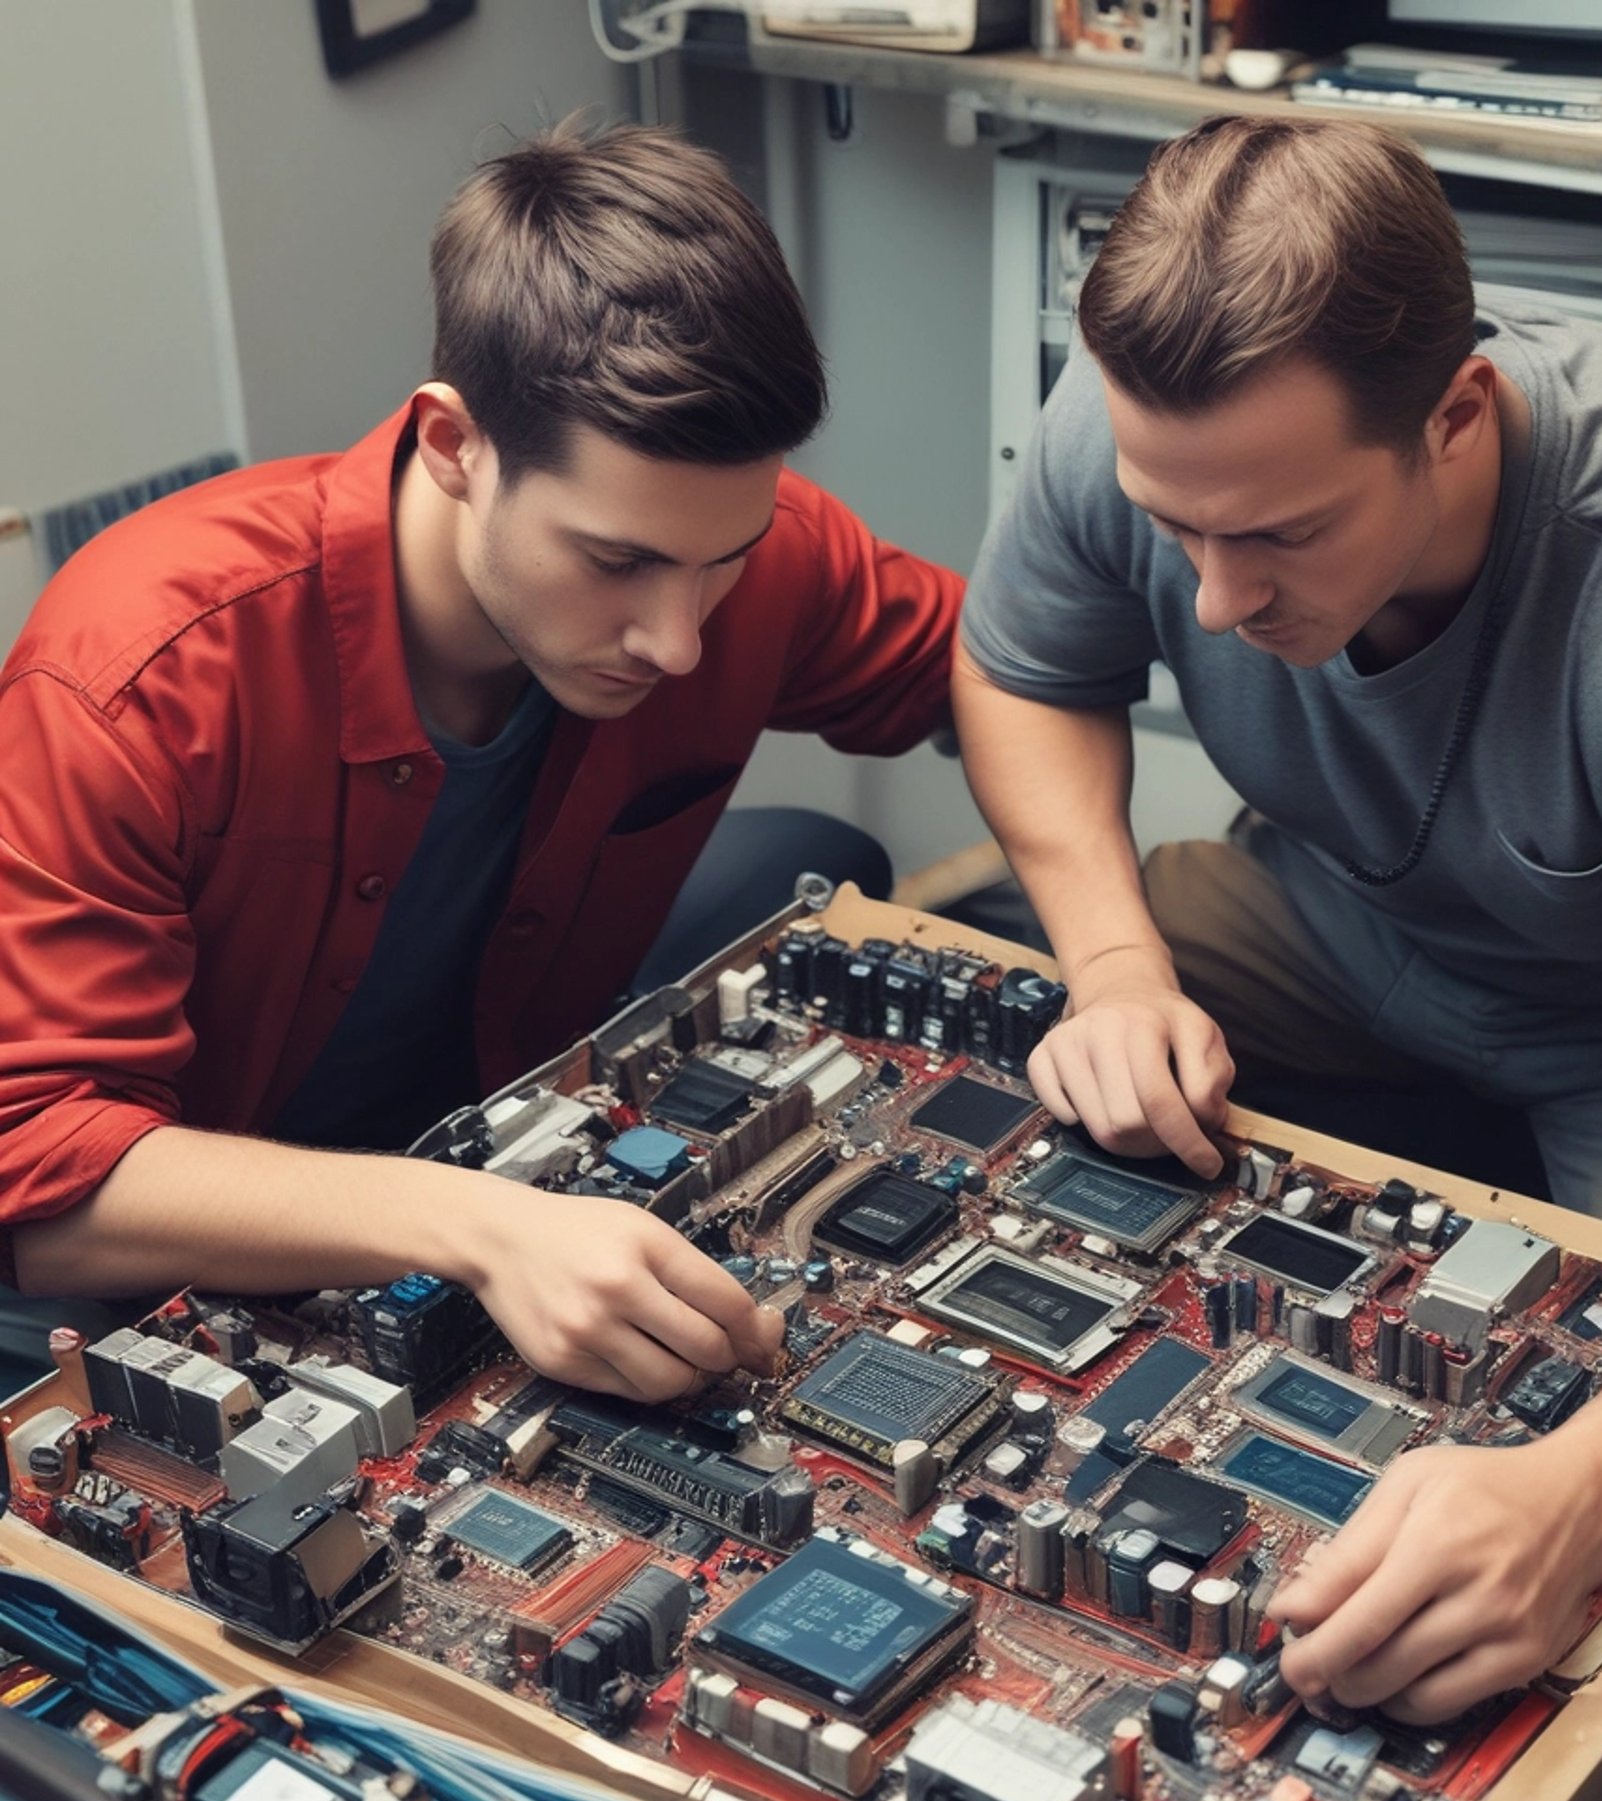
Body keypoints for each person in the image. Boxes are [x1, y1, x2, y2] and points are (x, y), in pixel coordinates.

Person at [955, 114, 1602, 1723]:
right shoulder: (1158, 428)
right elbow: (1019, 671)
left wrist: (1595, 1483)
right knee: (983, 1003)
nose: (1212, 598)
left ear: (1457, 413)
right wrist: (1116, 968)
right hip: (1329, 921)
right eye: (1172, 524)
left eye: (1277, 533)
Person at [0, 117, 959, 1404]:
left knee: (816, 863)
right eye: (617, 562)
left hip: (490, 1076)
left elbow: (1011, 665)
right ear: (454, 446)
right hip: (203, 1195)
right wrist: (480, 1223)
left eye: (720, 559)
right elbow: (48, 1188)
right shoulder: (138, 670)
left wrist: (1115, 957)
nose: (677, 641)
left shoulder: (744, 549)